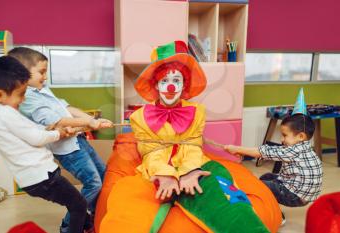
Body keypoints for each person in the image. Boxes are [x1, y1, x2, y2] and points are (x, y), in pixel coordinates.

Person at [101, 41, 269, 233]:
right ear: (156, 85)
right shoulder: (139, 117)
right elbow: (150, 151)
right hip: (155, 170)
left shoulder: (197, 112)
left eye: (176, 81)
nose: (171, 87)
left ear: (184, 85)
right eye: (165, 81)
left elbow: (193, 145)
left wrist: (189, 171)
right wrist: (165, 174)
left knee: (230, 207)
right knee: (126, 206)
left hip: (195, 165)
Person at [8, 47, 113, 232]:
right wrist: (89, 122)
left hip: (79, 141)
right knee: (93, 183)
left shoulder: (44, 89)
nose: (45, 77)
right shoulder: (28, 99)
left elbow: (68, 108)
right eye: (41, 72)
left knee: (104, 174)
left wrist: (93, 121)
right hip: (68, 150)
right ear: (22, 72)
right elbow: (56, 121)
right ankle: (68, 225)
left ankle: (95, 216)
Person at [0, 56, 91, 233]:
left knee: (75, 203)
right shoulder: (5, 113)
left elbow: (27, 129)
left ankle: (89, 226)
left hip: (35, 178)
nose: (22, 100)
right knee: (79, 205)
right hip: (42, 177)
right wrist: (57, 133)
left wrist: (48, 127)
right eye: (20, 94)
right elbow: (36, 138)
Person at [224, 93, 323, 225]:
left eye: (284, 135)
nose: (282, 139)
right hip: (303, 193)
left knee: (262, 186)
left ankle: (277, 216)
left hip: (296, 196)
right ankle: (271, 204)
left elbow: (262, 152)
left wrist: (236, 149)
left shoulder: (293, 150)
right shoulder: (306, 147)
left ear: (300, 136)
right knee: (266, 177)